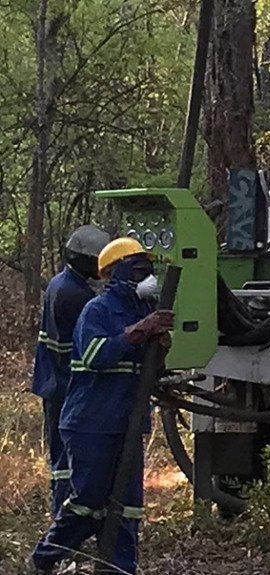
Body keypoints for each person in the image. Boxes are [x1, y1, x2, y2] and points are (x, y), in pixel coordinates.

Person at [26, 237, 173, 575]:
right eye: (137, 270)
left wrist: (160, 346)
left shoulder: (144, 311)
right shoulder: (97, 311)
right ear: (118, 273)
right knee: (87, 502)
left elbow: (149, 370)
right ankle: (44, 558)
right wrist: (136, 333)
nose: (145, 277)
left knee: (128, 505)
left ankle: (118, 568)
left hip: (127, 422)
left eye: (148, 270)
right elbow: (94, 356)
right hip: (91, 421)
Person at [31, 225, 111, 519]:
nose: (101, 268)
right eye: (97, 261)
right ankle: (63, 522)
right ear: (81, 259)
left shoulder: (58, 283)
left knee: (60, 459)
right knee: (69, 461)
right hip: (66, 387)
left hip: (52, 382)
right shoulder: (75, 296)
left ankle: (61, 520)